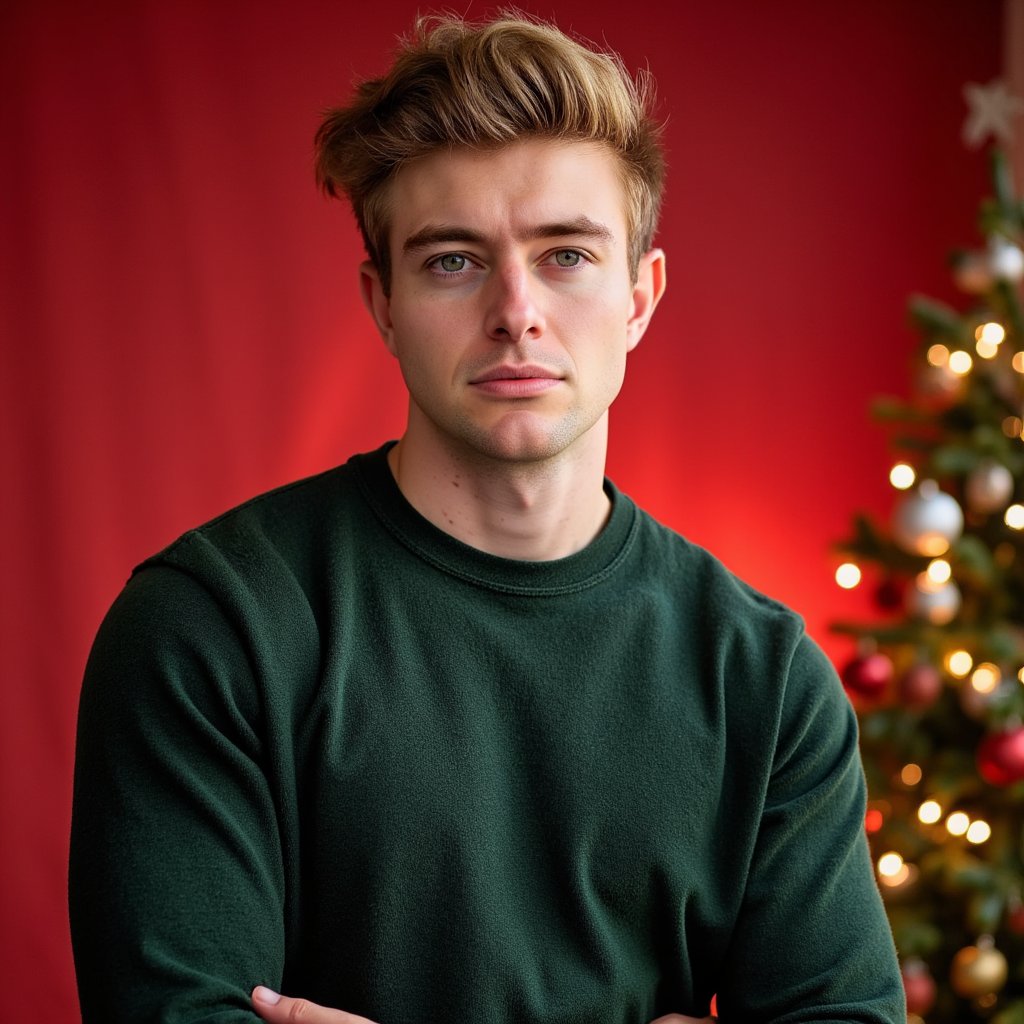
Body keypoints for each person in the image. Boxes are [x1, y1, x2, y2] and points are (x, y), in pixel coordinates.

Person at [69, 13, 904, 1024]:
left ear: (640, 295)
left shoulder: (764, 680)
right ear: (381, 301)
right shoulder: (210, 629)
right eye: (453, 260)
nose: (516, 310)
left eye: (565, 255)